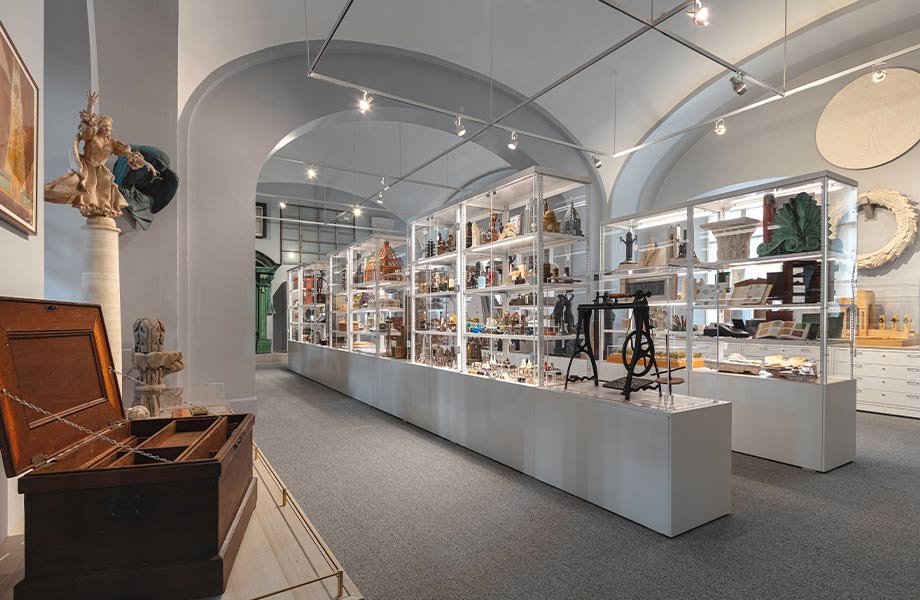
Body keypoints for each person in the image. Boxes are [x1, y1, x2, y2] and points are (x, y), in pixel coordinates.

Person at [45, 91, 157, 218]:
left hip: (101, 172)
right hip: (86, 168)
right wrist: (90, 106)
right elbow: (87, 126)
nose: (107, 129)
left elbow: (129, 154)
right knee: (72, 185)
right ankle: (42, 192)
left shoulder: (113, 144)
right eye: (104, 126)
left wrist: (147, 164)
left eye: (109, 127)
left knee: (104, 196)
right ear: (98, 126)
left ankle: (100, 211)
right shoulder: (92, 136)